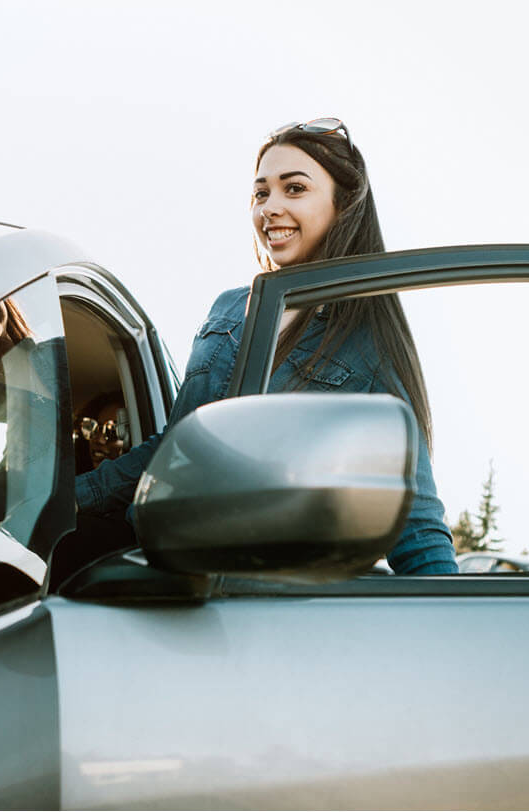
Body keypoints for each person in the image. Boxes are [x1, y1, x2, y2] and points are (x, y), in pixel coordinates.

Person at [74, 118, 457, 575]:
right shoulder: (229, 308)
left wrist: (447, 616)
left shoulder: (369, 345)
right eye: (261, 193)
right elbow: (175, 449)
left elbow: (417, 526)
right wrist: (64, 497)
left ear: (344, 203)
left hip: (259, 594)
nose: (269, 208)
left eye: (294, 189)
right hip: (152, 561)